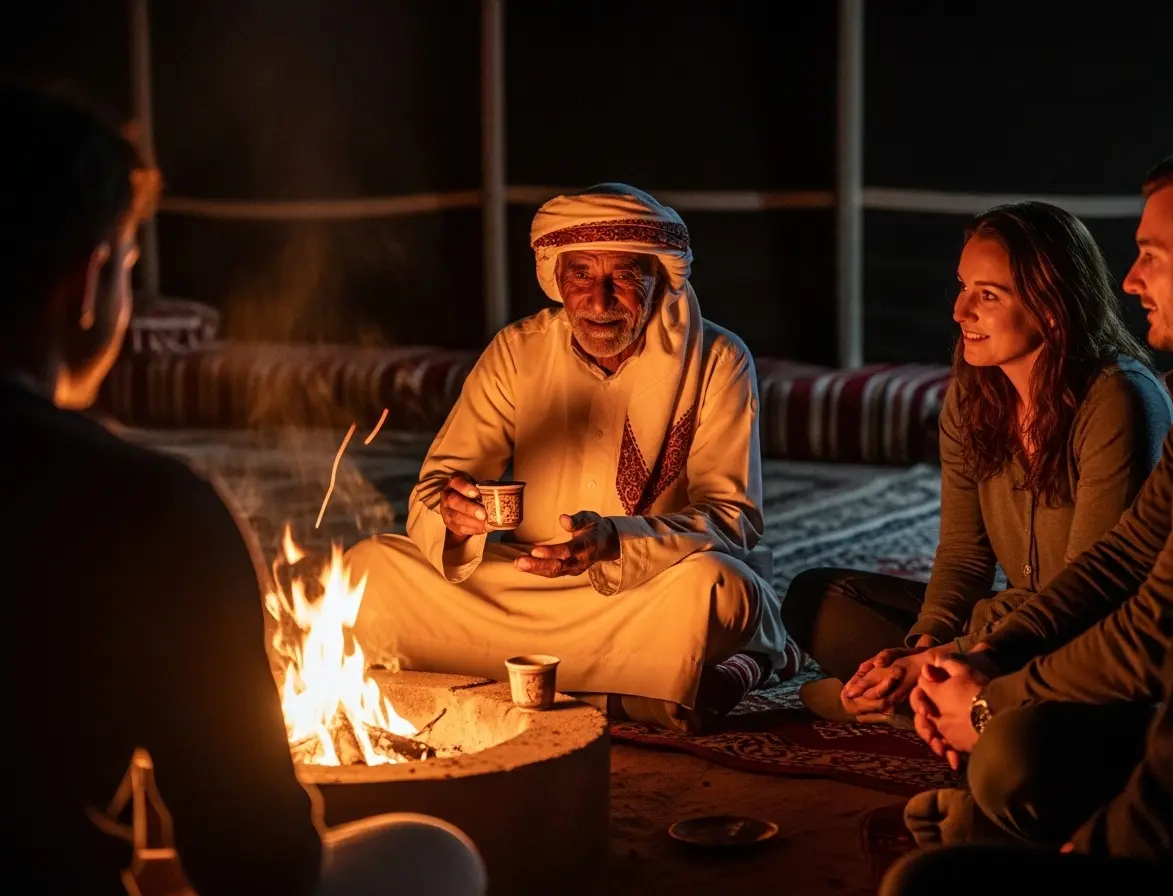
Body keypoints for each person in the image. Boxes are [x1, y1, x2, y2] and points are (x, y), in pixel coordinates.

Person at [3, 86, 484, 895]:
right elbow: (262, 867)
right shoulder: (149, 512)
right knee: (437, 858)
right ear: (88, 284)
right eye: (126, 265)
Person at [883, 144, 1173, 896]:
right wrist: (969, 653)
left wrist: (988, 693)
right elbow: (1121, 558)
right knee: (827, 602)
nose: (1131, 280)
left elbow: (1162, 634)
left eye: (1152, 255)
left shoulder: (1161, 410)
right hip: (1096, 674)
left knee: (994, 781)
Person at [346, 184, 788, 732]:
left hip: (644, 588)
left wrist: (615, 539)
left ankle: (509, 677)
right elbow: (439, 483)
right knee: (371, 569)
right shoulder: (518, 350)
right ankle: (635, 694)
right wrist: (456, 517)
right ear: (557, 278)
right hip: (521, 579)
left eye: (624, 276)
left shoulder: (718, 359)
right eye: (581, 275)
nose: (598, 302)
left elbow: (731, 517)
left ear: (660, 280)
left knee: (719, 590)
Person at [783, 201, 1172, 719]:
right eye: (963, 287)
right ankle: (939, 703)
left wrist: (946, 660)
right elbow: (965, 553)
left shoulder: (1117, 399)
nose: (960, 312)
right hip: (1003, 626)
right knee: (818, 598)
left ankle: (921, 706)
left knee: (1054, 702)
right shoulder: (972, 396)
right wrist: (926, 645)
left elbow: (1090, 591)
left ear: (1051, 306)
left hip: (1088, 635)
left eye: (987, 295)